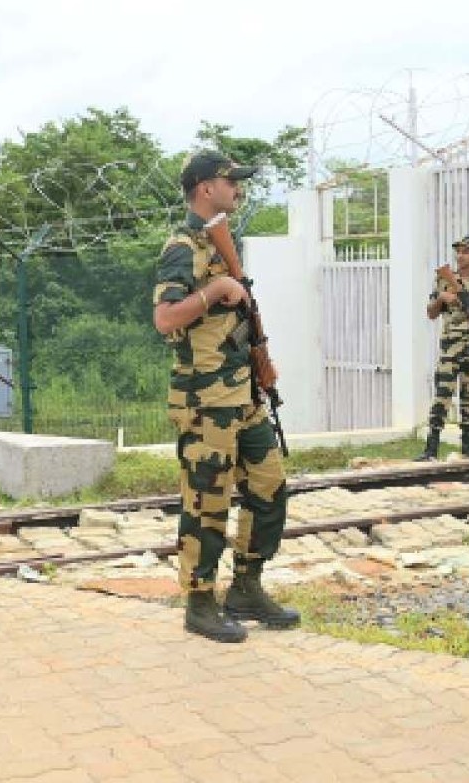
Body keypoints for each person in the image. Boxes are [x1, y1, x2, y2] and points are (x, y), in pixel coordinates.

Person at [151, 150, 299, 643]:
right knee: (207, 501)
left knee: (269, 485)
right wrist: (215, 290)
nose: (238, 187)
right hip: (205, 400)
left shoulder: (220, 242)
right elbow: (166, 319)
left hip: (242, 395)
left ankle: (246, 587)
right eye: (229, 180)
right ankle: (199, 601)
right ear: (204, 188)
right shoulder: (182, 247)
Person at [416, 236, 469, 461]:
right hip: (451, 348)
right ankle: (431, 448)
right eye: (459, 252)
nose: (461, 255)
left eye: (466, 252)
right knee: (442, 395)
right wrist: (441, 298)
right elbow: (431, 313)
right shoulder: (444, 280)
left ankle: (468, 446)